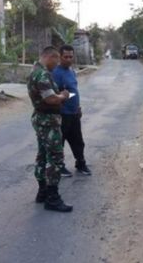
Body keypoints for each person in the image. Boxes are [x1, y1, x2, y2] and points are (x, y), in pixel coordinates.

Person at [27, 46, 73, 212]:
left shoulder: (34, 71)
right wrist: (63, 96)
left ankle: (42, 192)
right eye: (56, 60)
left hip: (41, 118)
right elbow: (51, 99)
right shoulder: (43, 74)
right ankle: (52, 198)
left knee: (42, 154)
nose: (57, 64)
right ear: (50, 57)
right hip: (48, 121)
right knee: (55, 158)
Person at [52, 45, 92, 177]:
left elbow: (73, 91)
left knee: (78, 141)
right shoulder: (55, 73)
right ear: (60, 57)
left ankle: (80, 163)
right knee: (60, 142)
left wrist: (78, 107)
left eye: (71, 56)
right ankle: (59, 167)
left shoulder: (71, 71)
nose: (69, 59)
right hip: (62, 114)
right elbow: (54, 94)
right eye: (66, 57)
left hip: (74, 113)